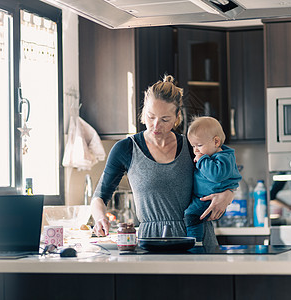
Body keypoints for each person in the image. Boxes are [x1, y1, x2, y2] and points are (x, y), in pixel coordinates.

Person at [90, 75, 234, 247]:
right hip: (151, 242)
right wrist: (100, 218)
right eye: (151, 117)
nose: (156, 125)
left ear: (177, 116)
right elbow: (99, 196)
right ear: (144, 111)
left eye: (165, 119)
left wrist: (229, 194)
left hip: (196, 240)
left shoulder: (191, 146)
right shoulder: (126, 149)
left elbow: (227, 167)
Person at [184, 116, 242, 243]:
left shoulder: (223, 158)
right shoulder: (212, 156)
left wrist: (202, 160)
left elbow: (216, 175)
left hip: (209, 198)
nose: (195, 150)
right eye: (193, 146)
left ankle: (195, 242)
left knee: (191, 215)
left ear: (216, 142)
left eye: (199, 145)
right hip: (203, 196)